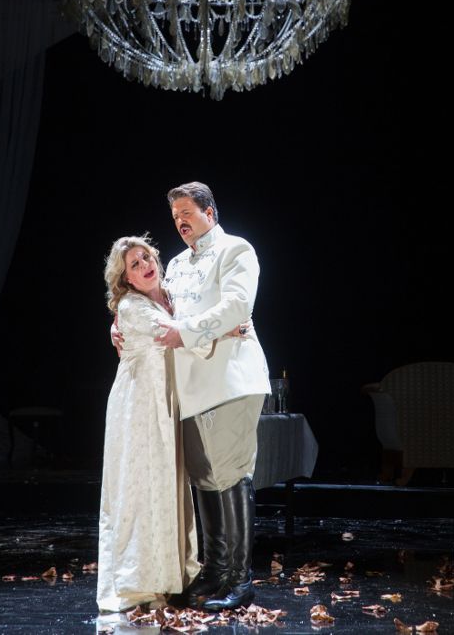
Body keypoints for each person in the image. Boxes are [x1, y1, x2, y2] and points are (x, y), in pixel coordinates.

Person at [147, 181, 271, 611]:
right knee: (204, 477)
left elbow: (238, 307)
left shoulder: (236, 250)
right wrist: (122, 322)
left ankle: (240, 579)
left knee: (230, 475)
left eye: (187, 212)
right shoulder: (177, 264)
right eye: (175, 216)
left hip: (230, 380)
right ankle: (214, 573)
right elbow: (160, 309)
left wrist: (187, 329)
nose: (180, 221)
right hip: (191, 386)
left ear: (210, 213)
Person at [96, 234, 200, 613]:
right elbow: (176, 334)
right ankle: (138, 577)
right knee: (141, 486)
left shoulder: (170, 293)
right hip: (138, 405)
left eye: (144, 257)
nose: (143, 267)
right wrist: (228, 328)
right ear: (127, 281)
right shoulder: (133, 306)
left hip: (166, 401)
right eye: (134, 267)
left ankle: (172, 572)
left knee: (167, 482)